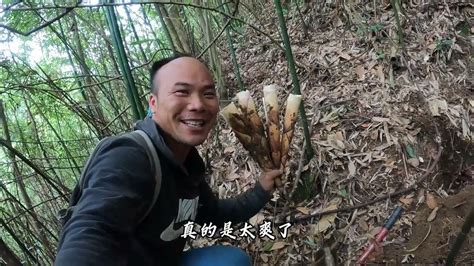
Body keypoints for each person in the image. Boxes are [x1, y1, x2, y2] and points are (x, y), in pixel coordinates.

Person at [55, 55, 283, 265]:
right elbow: (91, 231)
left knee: (231, 261)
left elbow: (213, 215)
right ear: (153, 104)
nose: (198, 104)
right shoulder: (129, 157)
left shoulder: (185, 162)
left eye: (208, 93)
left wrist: (261, 190)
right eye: (181, 92)